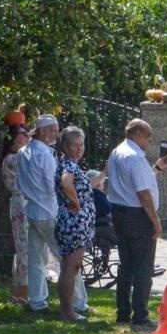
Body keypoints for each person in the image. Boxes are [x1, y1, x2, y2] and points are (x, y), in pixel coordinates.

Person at [106, 118, 167, 328]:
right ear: (138, 134)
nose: (149, 142)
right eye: (148, 137)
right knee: (143, 266)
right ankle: (140, 314)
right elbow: (143, 193)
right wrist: (155, 221)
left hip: (119, 212)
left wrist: (157, 169)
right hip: (137, 215)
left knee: (126, 264)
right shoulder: (135, 157)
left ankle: (123, 311)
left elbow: (136, 182)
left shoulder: (117, 152)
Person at [18, 114, 78, 313]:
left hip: (33, 210)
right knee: (69, 257)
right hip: (49, 210)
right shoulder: (44, 154)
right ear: (42, 132)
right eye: (52, 130)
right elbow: (53, 184)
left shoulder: (23, 151)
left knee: (36, 259)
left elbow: (21, 182)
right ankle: (78, 302)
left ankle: (37, 301)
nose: (56, 134)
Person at [53, 126, 95, 323]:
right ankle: (68, 311)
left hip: (75, 222)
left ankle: (67, 310)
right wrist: (76, 203)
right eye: (74, 145)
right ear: (65, 147)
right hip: (74, 223)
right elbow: (66, 183)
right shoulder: (68, 166)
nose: (79, 149)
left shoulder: (70, 164)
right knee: (72, 267)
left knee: (69, 267)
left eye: (81, 144)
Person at [0, 125, 31, 305]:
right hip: (22, 202)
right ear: (13, 139)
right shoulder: (15, 158)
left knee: (22, 249)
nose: (28, 138)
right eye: (23, 135)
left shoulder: (16, 158)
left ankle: (20, 292)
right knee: (24, 248)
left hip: (21, 202)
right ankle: (23, 294)